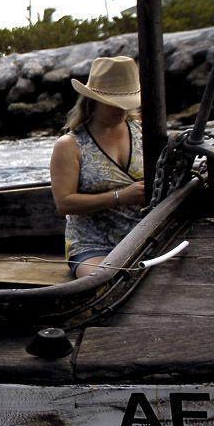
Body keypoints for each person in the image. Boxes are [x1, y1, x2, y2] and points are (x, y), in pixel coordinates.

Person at [49, 56, 146, 278]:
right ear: (92, 100)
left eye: (126, 105)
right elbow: (64, 203)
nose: (121, 111)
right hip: (93, 244)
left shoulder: (143, 132)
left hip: (146, 235)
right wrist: (120, 196)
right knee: (107, 280)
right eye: (113, 104)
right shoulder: (70, 145)